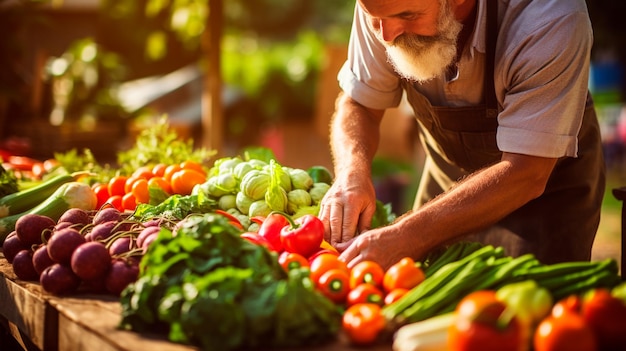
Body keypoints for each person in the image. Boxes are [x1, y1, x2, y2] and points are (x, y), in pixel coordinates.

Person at [319, 0, 605, 270]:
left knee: (527, 313)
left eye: (408, 16)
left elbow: (528, 171)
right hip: (446, 181)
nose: (387, 35)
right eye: (374, 18)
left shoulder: (548, 18)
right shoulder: (386, 11)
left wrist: (409, 234)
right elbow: (360, 104)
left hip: (544, 194)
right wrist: (351, 174)